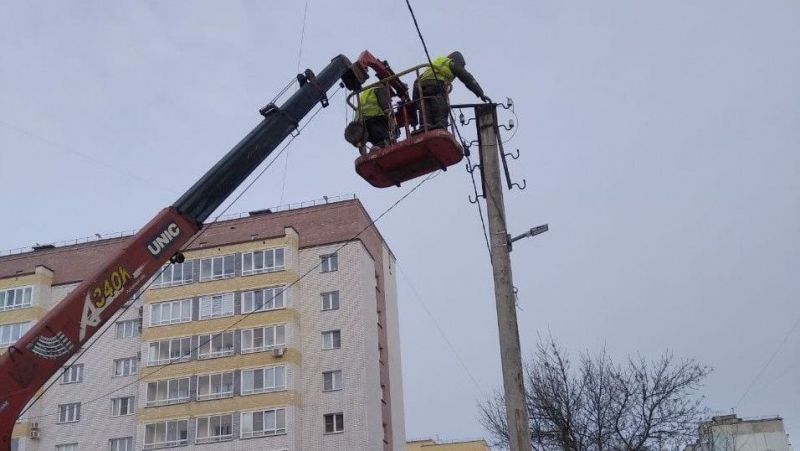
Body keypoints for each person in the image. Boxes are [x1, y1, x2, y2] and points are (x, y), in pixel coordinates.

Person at [413, 51, 491, 130]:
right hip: (437, 84)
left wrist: (415, 102)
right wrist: (480, 93)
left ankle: (425, 125)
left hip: (422, 87)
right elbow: (466, 77)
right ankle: (440, 123)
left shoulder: (437, 62)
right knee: (441, 102)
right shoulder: (451, 62)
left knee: (424, 104)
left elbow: (416, 81)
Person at [344, 85, 393, 153]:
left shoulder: (367, 94)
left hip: (367, 119)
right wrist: (387, 111)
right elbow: (384, 104)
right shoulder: (378, 89)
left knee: (373, 134)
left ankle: (379, 144)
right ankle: (381, 144)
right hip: (373, 117)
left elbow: (359, 139)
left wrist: (386, 109)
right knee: (379, 134)